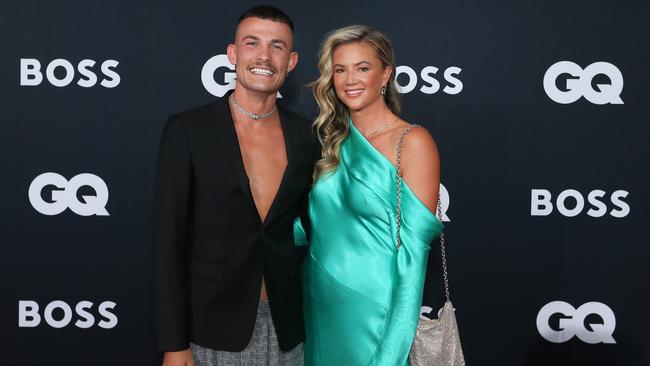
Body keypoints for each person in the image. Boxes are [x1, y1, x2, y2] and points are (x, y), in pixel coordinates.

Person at [153, 5, 316, 366]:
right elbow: (168, 243)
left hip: (288, 328)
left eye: (277, 46)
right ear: (233, 54)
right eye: (252, 42)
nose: (264, 55)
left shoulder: (307, 137)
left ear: (291, 61)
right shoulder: (187, 130)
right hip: (209, 327)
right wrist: (174, 344)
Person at [294, 25, 444, 365]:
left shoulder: (412, 141)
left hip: (378, 310)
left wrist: (390, 356)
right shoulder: (330, 141)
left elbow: (413, 258)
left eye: (363, 68)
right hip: (319, 308)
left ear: (386, 74)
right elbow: (310, 227)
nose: (350, 80)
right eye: (340, 69)